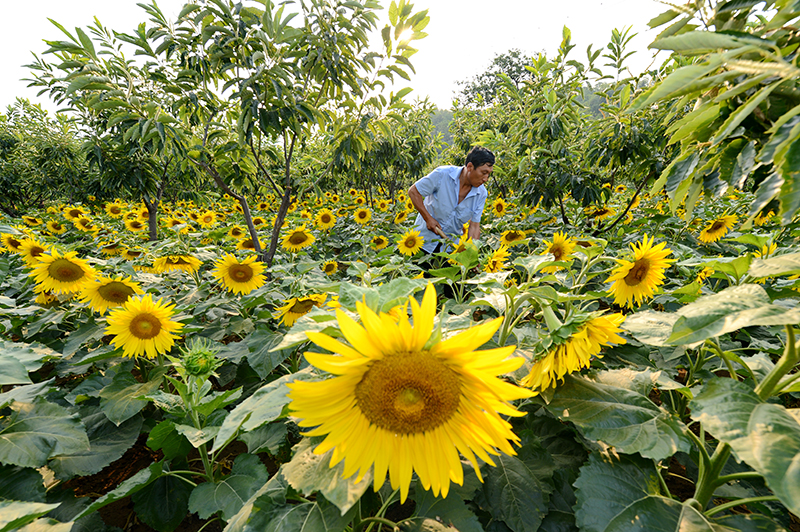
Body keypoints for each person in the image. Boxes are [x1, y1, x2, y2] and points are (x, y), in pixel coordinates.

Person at [408, 146, 494, 254]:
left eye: (489, 174)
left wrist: (471, 254)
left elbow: (474, 226)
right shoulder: (442, 174)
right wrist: (428, 218)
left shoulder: (481, 194)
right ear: (470, 167)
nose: (486, 179)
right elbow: (414, 191)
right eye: (483, 173)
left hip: (449, 249)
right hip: (421, 242)